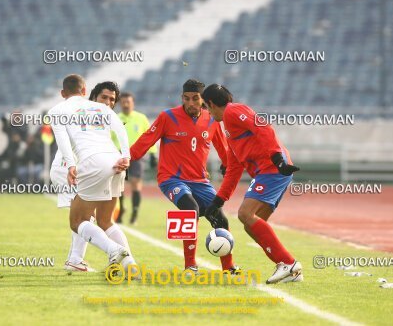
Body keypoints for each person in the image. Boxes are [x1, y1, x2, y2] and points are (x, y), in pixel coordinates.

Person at [129, 79, 239, 274]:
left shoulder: (212, 119)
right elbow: (146, 140)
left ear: (203, 99)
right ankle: (190, 266)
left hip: (200, 181)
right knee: (190, 209)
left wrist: (229, 165)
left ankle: (228, 267)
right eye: (186, 99)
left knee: (220, 218)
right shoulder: (167, 117)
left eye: (195, 99)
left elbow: (224, 150)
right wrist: (127, 158)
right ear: (182, 98)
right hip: (171, 179)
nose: (190, 103)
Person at [202, 84, 303, 284]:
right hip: (271, 170)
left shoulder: (233, 111)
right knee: (252, 223)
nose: (208, 112)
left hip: (272, 168)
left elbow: (263, 127)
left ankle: (288, 263)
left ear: (211, 103)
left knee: (245, 214)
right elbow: (234, 168)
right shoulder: (229, 129)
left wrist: (276, 158)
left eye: (207, 106)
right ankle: (290, 271)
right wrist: (218, 201)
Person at [49, 74, 132, 269]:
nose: (108, 102)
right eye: (104, 97)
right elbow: (120, 128)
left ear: (63, 93)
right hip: (76, 167)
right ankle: (80, 259)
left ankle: (113, 255)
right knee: (90, 217)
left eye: (112, 99)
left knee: (85, 219)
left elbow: (64, 140)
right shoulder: (95, 111)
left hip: (86, 165)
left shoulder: (64, 110)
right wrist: (126, 155)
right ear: (87, 93)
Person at [115, 92, 157, 225]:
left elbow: (150, 137)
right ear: (120, 103)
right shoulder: (115, 118)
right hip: (119, 156)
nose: (126, 104)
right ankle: (121, 210)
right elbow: (109, 138)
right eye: (123, 102)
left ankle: (134, 212)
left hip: (137, 155)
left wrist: (152, 154)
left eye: (128, 102)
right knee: (118, 185)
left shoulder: (141, 118)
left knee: (135, 182)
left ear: (133, 103)